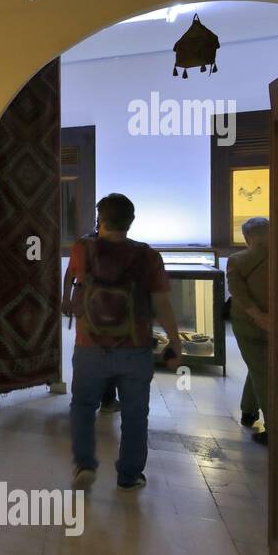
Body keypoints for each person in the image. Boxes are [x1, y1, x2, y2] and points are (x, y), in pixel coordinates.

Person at [62, 193, 183, 490]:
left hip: (89, 345)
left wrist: (65, 299)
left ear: (99, 219)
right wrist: (176, 342)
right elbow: (162, 304)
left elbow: (72, 275)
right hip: (135, 348)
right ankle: (129, 476)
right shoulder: (148, 256)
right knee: (134, 414)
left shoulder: (82, 249)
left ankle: (84, 465)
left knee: (82, 406)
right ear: (131, 221)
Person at [63, 236, 120, 414]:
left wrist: (66, 298)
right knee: (106, 353)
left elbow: (70, 274)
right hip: (106, 309)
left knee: (86, 353)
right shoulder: (122, 245)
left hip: (87, 308)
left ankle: (85, 401)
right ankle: (107, 400)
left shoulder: (83, 244)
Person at [227, 216, 271, 444]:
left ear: (246, 237)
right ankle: (250, 411)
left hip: (247, 324)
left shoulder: (237, 260)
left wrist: (258, 317)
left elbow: (239, 294)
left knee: (259, 368)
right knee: (260, 367)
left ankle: (265, 421)